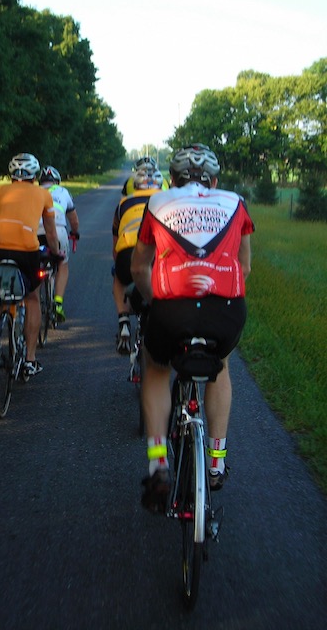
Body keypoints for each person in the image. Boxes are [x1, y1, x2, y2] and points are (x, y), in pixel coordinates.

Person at [130, 143, 254, 512]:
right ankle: (216, 462)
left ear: (172, 179)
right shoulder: (236, 202)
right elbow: (244, 268)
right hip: (225, 312)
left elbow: (138, 268)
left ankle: (157, 462)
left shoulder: (158, 202)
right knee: (221, 367)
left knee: (156, 368)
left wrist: (155, 300)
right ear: (215, 181)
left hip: (173, 311)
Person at [0, 153, 62, 376]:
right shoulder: (43, 194)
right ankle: (29, 359)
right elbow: (50, 230)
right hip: (26, 249)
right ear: (35, 175)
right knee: (31, 297)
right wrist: (56, 253)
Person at [111, 163, 163, 353]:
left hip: (127, 250)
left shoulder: (124, 203)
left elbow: (115, 242)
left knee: (119, 279)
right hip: (157, 251)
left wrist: (118, 264)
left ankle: (123, 320)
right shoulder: (167, 200)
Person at [36, 165, 80, 322]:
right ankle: (58, 303)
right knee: (62, 264)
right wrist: (75, 233)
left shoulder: (34, 192)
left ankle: (32, 301)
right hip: (58, 230)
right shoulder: (63, 192)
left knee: (34, 265)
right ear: (57, 181)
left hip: (35, 232)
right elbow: (73, 220)